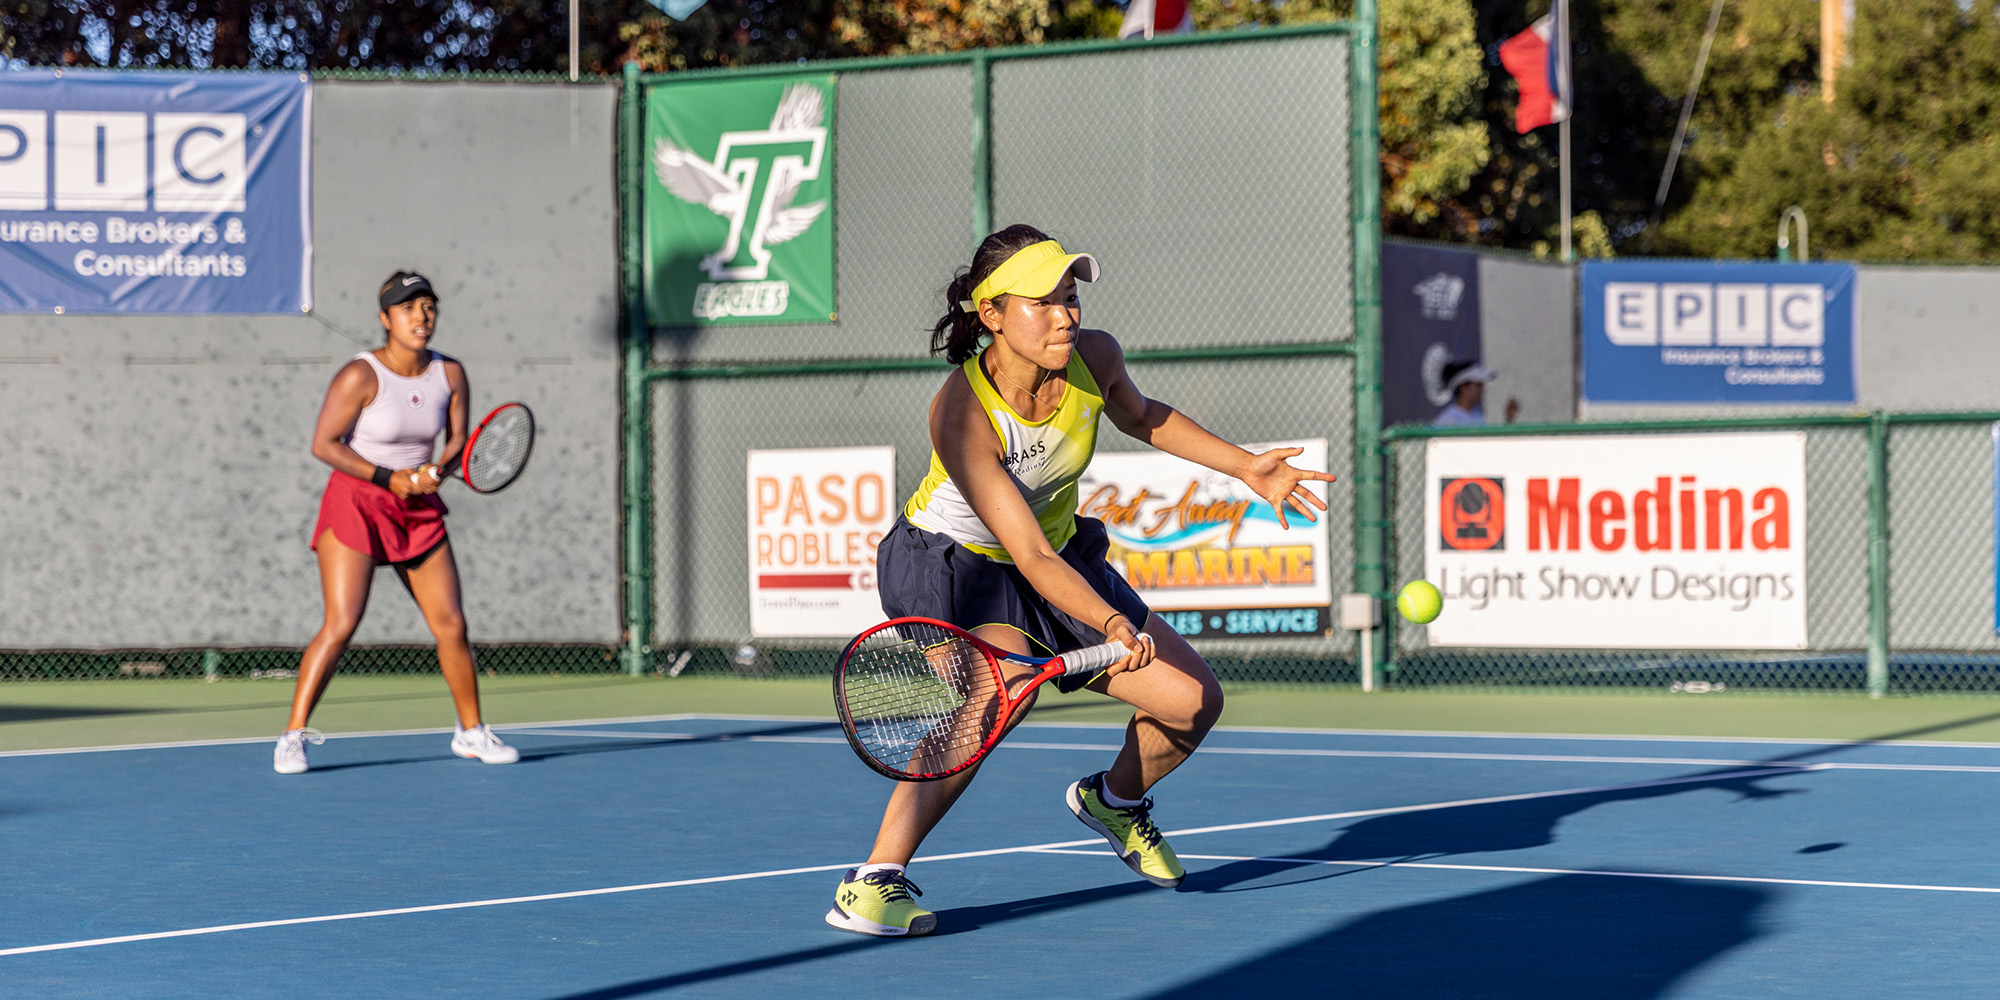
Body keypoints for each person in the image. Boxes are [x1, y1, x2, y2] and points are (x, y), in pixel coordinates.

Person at [823, 226, 1337, 937]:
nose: (1066, 314)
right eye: (1043, 302)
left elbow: (1142, 414)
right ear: (992, 315)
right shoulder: (961, 411)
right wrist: (1110, 624)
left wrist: (1244, 466)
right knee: (989, 699)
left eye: (1070, 298)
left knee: (1192, 702)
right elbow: (1024, 554)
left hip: (1060, 555)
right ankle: (874, 878)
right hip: (958, 566)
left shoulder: (1094, 357)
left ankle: (1116, 803)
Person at [272, 271, 518, 774]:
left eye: (428, 306)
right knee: (341, 623)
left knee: (451, 624)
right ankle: (291, 737)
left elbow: (457, 442)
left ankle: (471, 733)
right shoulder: (360, 376)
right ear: (386, 320)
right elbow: (324, 444)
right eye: (408, 308)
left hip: (416, 509)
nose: (420, 317)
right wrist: (389, 477)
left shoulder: (450, 374)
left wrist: (436, 471)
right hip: (357, 502)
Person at [1432, 360, 1519, 426]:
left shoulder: (1478, 415)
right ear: (1463, 387)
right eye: (1478, 385)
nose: (1483, 390)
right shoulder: (1447, 420)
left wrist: (1509, 420)